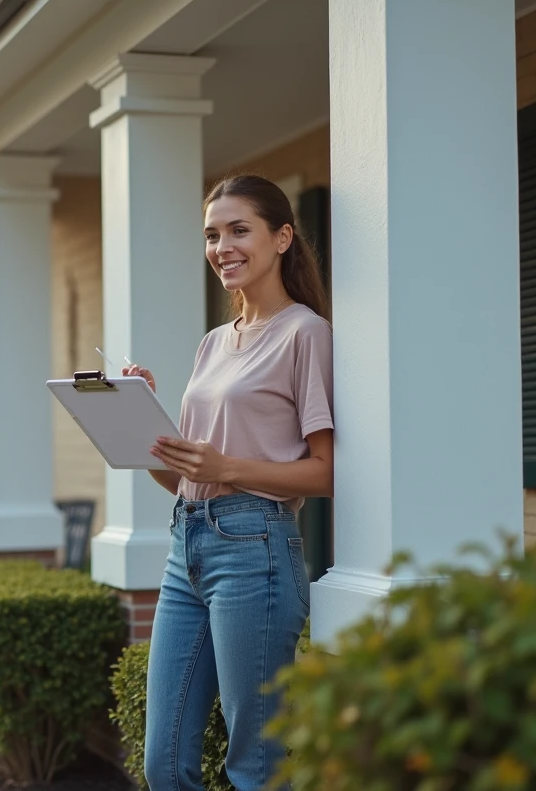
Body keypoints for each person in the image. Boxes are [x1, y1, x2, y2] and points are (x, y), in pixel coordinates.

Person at [123, 173, 334, 790]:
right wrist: (139, 420)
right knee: (164, 763)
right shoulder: (214, 343)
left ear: (283, 237)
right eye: (213, 235)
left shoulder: (306, 333)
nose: (223, 247)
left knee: (256, 765)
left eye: (239, 230)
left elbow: (325, 473)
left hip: (256, 552)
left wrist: (226, 469)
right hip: (186, 542)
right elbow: (187, 480)